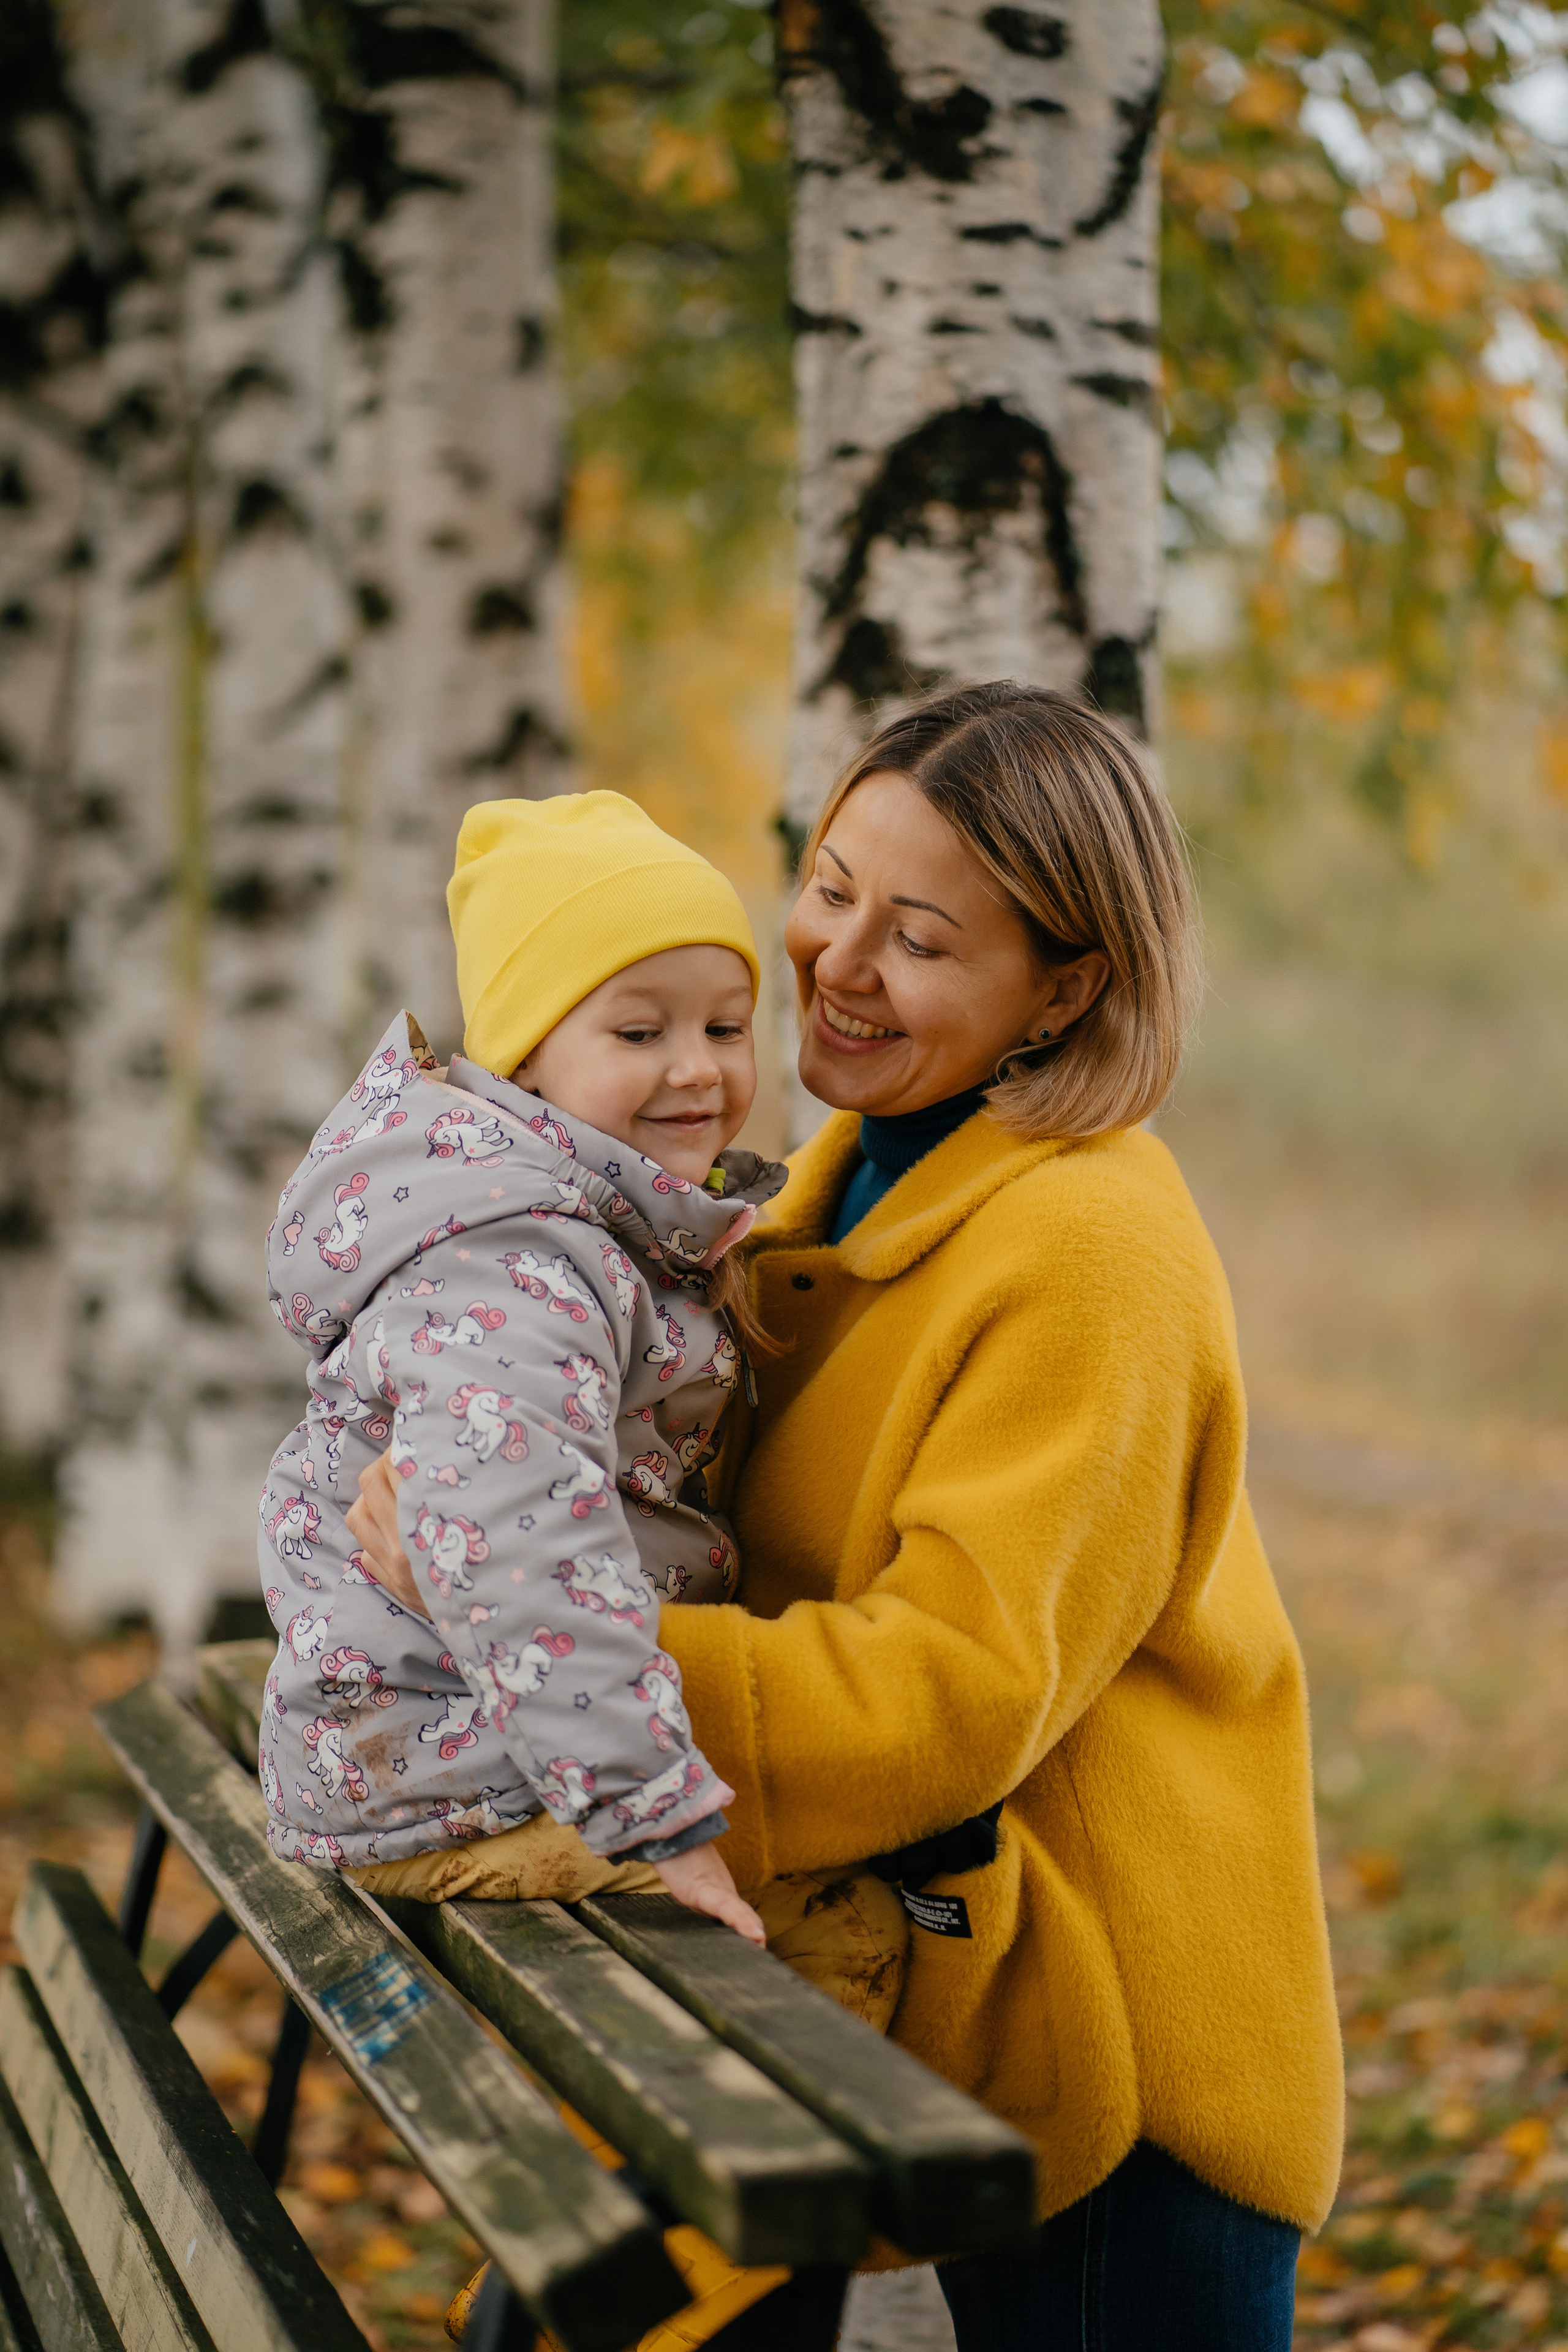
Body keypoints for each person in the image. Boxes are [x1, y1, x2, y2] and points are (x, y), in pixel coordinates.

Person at [350, 687, 1344, 2351]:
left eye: (925, 938)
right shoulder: (833, 1187)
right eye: (829, 889)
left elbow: (946, 1695)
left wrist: (533, 1638)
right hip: (879, 1986)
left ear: (1068, 988)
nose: (836, 959)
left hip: (1113, 2043)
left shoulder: (1091, 1250)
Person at [258, 789, 903, 1986]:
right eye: (636, 1032)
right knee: (839, 1921)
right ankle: (738, 2178)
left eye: (723, 1028)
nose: (695, 1072)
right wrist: (661, 1820)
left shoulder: (594, 1230)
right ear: (528, 1055)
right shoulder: (518, 1262)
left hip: (441, 1735)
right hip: (447, 1771)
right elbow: (518, 1552)